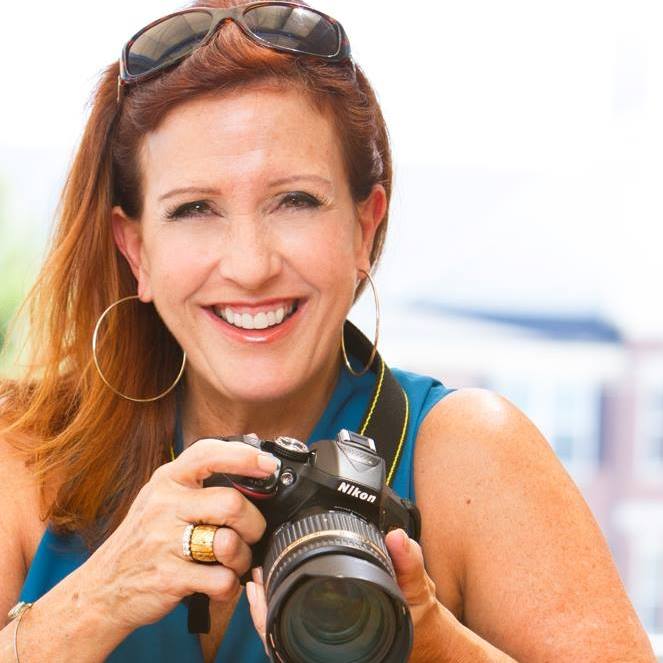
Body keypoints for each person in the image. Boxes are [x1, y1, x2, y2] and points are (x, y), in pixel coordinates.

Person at [0, 1, 655, 661]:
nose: (251, 265)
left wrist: (431, 641)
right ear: (135, 249)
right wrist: (93, 602)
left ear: (362, 230)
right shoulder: (25, 456)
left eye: (295, 200)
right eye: (194, 208)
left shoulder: (465, 457)